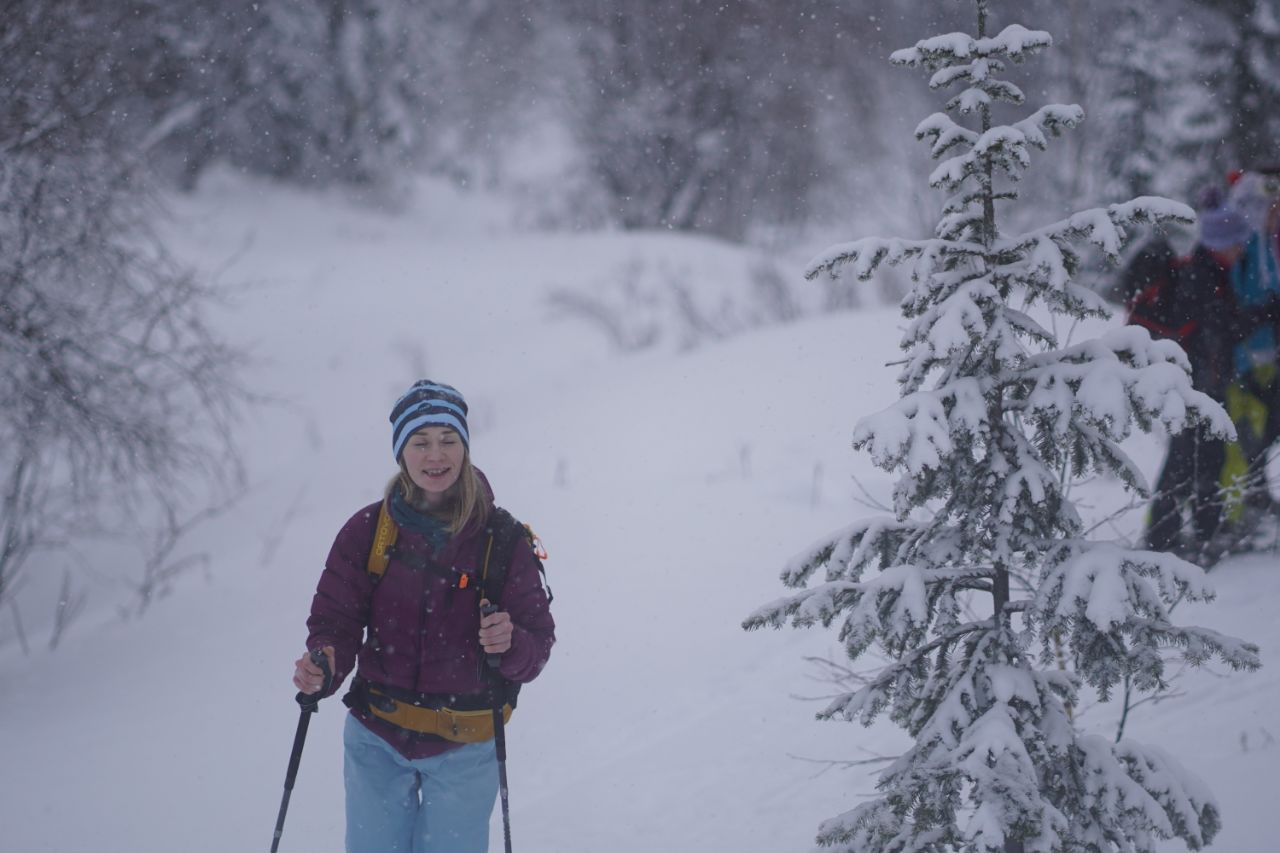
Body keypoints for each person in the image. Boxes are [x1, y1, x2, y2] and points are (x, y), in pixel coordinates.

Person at [292, 380, 555, 853]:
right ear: (401, 453)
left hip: (466, 741)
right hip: (377, 736)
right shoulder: (368, 531)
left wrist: (510, 643)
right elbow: (336, 620)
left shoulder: (502, 538)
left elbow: (537, 646)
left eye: (448, 440)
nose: (436, 455)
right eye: (421, 442)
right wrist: (324, 662)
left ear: (465, 448)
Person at [1139, 200, 1255, 558]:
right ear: (1220, 243)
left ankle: (1201, 531)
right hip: (1195, 385)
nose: (1241, 249)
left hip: (1200, 383)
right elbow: (1211, 332)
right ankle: (1167, 537)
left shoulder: (1209, 273)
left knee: (1205, 458)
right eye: (1236, 242)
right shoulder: (1202, 276)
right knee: (1187, 461)